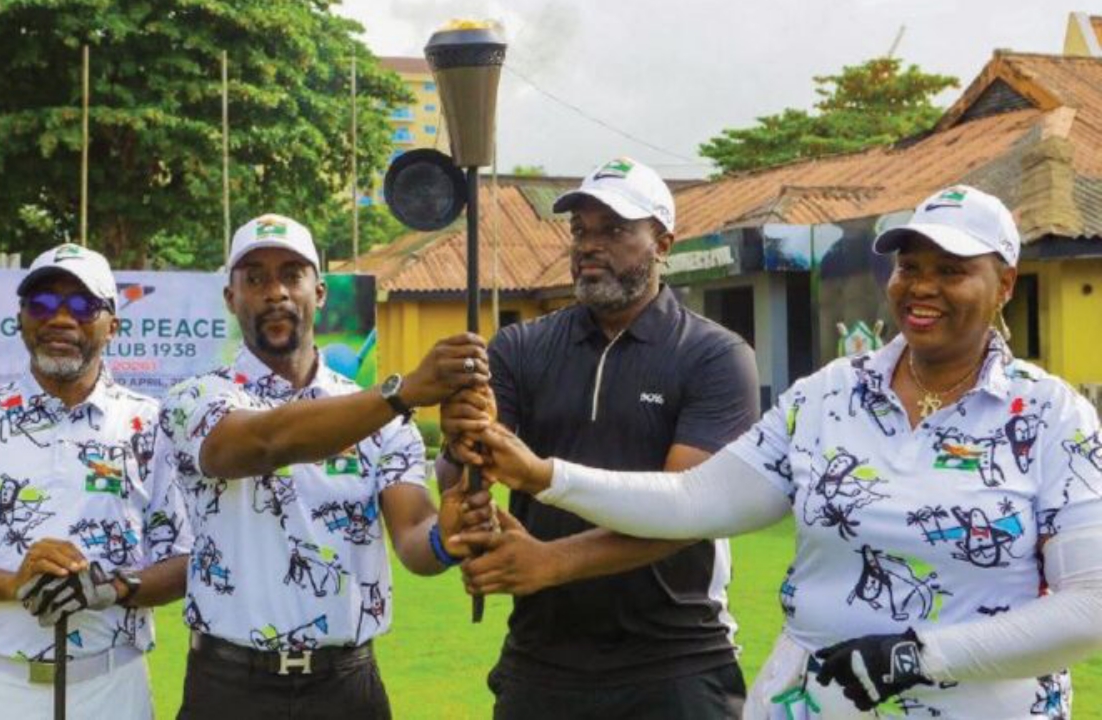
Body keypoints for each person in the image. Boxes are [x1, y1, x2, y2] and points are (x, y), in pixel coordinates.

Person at [464, 185, 1102, 718]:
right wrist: (544, 475)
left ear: (1006, 285)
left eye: (952, 270)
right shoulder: (829, 396)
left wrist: (914, 656)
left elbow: (1090, 606)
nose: (921, 287)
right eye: (909, 267)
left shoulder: (1051, 416)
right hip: (812, 702)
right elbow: (695, 499)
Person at [439, 157, 760, 719]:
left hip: (676, 660)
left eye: (614, 230)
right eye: (581, 231)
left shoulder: (714, 355)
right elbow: (468, 474)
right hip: (542, 659)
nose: (590, 245)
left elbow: (689, 510)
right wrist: (461, 447)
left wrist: (550, 562)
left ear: (664, 243)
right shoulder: (518, 347)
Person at [160, 214, 492, 720]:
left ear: (320, 292)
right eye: (254, 278)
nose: (275, 292)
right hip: (229, 687)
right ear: (230, 298)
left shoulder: (381, 415)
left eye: (292, 275)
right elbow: (264, 442)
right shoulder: (196, 398)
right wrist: (402, 393)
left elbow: (412, 538)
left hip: (347, 688)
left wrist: (445, 537)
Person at [0, 243, 193, 720]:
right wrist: (14, 583)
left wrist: (113, 587)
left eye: (81, 305)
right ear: (21, 318)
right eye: (42, 303)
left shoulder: (150, 423)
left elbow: (184, 561)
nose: (60, 318)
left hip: (111, 686)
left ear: (112, 325)